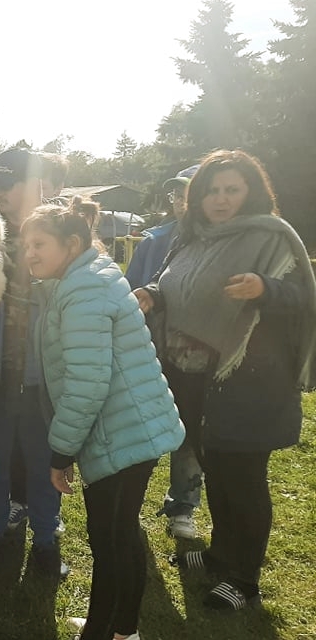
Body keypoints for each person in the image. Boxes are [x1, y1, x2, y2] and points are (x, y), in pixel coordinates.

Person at [135, 150, 316, 612]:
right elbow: (172, 282)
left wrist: (265, 288)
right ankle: (220, 556)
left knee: (245, 480)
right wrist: (152, 295)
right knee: (216, 471)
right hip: (194, 379)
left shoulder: (273, 238)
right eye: (212, 191)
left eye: (231, 189)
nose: (220, 199)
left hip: (248, 382)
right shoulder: (191, 237)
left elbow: (303, 298)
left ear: (251, 191)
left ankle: (244, 581)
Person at [23, 199, 184, 640]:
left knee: (110, 541)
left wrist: (61, 452)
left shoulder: (83, 292)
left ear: (70, 245)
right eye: (25, 244)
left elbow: (87, 383)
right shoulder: (86, 277)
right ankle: (124, 635)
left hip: (121, 431)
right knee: (122, 534)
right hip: (135, 426)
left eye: (39, 244)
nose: (28, 253)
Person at [0, 147, 65, 575]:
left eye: (8, 183)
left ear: (34, 185)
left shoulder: (63, 236)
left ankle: (46, 543)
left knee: (44, 467)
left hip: (44, 383)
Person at [124, 163, 202, 541]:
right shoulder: (153, 241)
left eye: (186, 193)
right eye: (174, 193)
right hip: (150, 352)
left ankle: (182, 507)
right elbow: (131, 287)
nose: (178, 201)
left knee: (188, 432)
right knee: (142, 427)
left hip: (196, 356)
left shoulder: (218, 243)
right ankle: (130, 503)